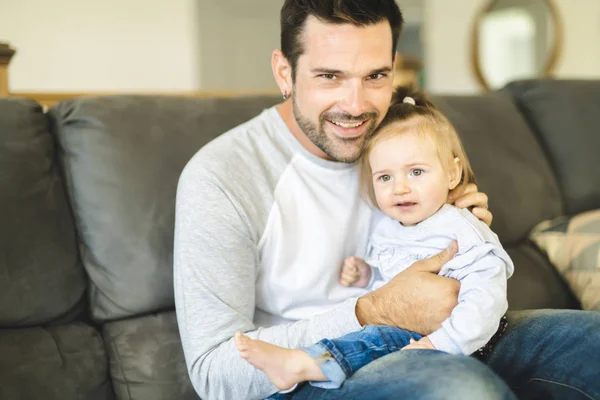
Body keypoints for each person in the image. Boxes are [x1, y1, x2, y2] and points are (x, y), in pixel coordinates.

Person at [173, 1, 600, 399]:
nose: (356, 106)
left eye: (375, 76)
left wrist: (455, 220)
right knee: (459, 391)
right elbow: (214, 373)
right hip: (321, 371)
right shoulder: (222, 177)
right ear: (284, 72)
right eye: (330, 76)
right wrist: (374, 310)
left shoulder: (404, 133)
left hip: (455, 330)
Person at [233, 86, 514, 392]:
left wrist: (440, 343)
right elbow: (393, 286)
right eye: (385, 177)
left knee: (374, 338)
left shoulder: (460, 227)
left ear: (452, 173)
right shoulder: (392, 228)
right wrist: (368, 274)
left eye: (416, 172)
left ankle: (305, 364)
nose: (400, 188)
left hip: (457, 337)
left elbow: (487, 295)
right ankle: (306, 364)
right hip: (411, 333)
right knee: (368, 336)